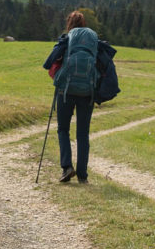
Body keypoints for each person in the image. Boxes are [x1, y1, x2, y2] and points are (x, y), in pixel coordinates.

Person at [42, 11, 118, 184]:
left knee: (63, 129)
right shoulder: (93, 42)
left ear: (69, 24)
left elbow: (49, 61)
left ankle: (67, 167)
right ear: (84, 23)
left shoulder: (68, 38)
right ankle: (83, 176)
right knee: (83, 133)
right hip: (87, 92)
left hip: (66, 91)